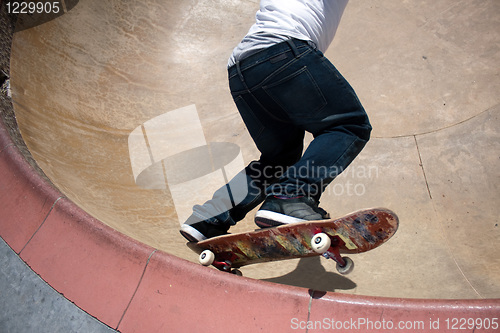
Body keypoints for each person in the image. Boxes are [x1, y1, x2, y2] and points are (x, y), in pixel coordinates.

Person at [180, 0, 371, 242]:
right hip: (283, 51)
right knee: (348, 126)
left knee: (279, 160)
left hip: (242, 68)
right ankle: (291, 195)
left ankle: (210, 217)